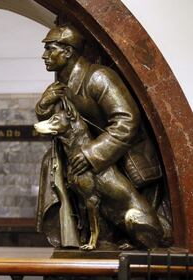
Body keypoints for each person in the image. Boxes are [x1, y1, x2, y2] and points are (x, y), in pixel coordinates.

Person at [35, 24, 170, 249]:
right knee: (51, 161)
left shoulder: (98, 77)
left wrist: (91, 153)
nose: (44, 55)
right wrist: (44, 104)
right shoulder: (62, 84)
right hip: (85, 155)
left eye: (50, 49)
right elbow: (58, 121)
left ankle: (110, 237)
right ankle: (79, 234)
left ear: (67, 52)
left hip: (122, 158)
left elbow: (127, 121)